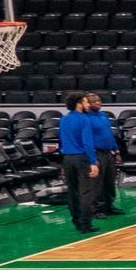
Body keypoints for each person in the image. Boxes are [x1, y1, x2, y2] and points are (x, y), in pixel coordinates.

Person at [57, 93, 102, 233]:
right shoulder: (84, 119)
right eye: (86, 102)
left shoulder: (64, 119)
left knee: (73, 192)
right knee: (86, 192)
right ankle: (85, 224)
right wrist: (93, 162)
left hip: (67, 159)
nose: (88, 104)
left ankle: (76, 221)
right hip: (81, 158)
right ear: (79, 103)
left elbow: (61, 139)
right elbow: (87, 142)